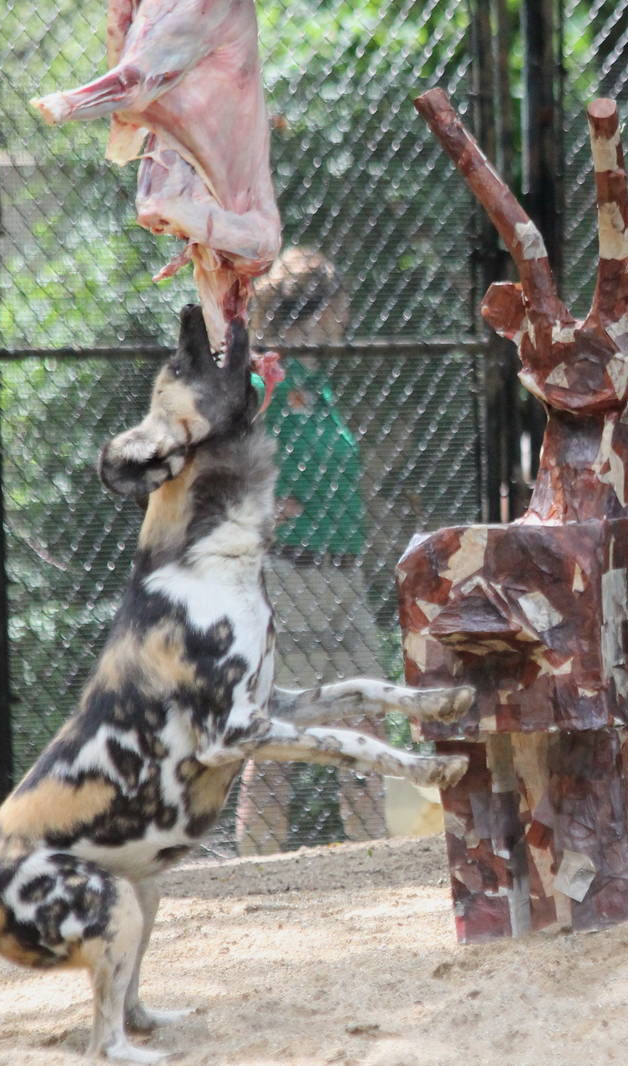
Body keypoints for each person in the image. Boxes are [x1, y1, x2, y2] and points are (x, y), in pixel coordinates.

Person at [234, 248, 389, 853]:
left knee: (366, 722)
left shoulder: (319, 385)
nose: (346, 311)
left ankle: (372, 863)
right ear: (316, 310)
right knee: (274, 739)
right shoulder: (263, 377)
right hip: (288, 578)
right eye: (338, 301)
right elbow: (213, 444)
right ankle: (258, 872)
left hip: (342, 581)